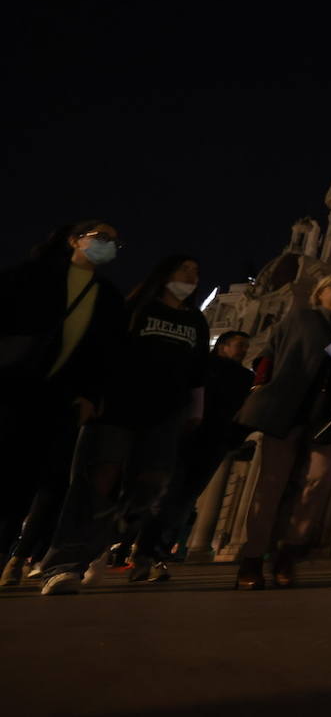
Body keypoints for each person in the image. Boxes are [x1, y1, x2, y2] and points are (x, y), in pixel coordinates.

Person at [38, 255, 210, 596]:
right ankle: (63, 565)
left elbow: (199, 368)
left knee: (152, 484)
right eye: (184, 268)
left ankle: (104, 536)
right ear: (163, 274)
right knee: (95, 482)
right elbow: (103, 351)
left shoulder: (196, 321)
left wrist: (197, 408)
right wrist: (89, 393)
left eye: (196, 271)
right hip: (118, 405)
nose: (191, 275)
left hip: (167, 411)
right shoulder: (134, 308)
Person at [0, 221, 125, 586]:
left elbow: (107, 354)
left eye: (115, 243)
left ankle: (13, 553)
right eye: (101, 237)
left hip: (61, 399)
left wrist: (91, 395)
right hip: (12, 386)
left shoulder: (108, 297)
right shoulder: (32, 276)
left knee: (37, 479)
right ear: (74, 240)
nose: (108, 245)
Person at [233, 274, 331, 590]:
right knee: (271, 485)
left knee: (320, 481)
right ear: (320, 293)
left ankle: (288, 552)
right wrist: (261, 388)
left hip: (329, 417)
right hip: (287, 410)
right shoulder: (300, 319)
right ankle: (252, 559)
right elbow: (268, 353)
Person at [131, 330, 254, 580]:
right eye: (239, 345)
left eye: (245, 346)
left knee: (185, 501)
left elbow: (242, 411)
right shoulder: (202, 366)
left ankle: (158, 554)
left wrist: (233, 439)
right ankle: (144, 552)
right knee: (168, 494)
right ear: (222, 346)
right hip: (185, 437)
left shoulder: (244, 377)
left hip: (215, 443)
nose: (243, 350)